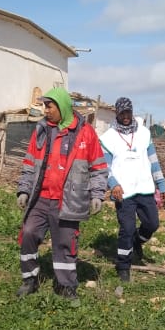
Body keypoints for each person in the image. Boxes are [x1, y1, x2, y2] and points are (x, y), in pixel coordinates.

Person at [16, 87, 108, 299]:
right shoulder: (41, 130)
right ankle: (30, 279)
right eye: (44, 106)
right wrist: (24, 190)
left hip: (68, 200)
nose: (45, 111)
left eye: (49, 106)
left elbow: (98, 167)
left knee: (65, 242)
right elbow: (29, 164)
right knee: (29, 233)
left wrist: (97, 194)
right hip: (41, 198)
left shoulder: (85, 133)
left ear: (62, 107)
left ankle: (65, 285)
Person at [99, 97, 165, 284]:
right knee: (127, 229)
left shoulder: (144, 133)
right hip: (123, 192)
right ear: (117, 114)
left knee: (152, 224)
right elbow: (105, 167)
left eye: (128, 112)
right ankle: (123, 266)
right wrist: (113, 184)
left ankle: (137, 241)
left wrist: (161, 183)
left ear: (132, 112)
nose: (126, 116)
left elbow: (153, 161)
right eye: (122, 113)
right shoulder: (108, 138)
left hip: (144, 188)